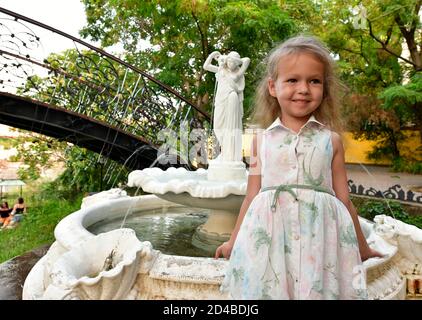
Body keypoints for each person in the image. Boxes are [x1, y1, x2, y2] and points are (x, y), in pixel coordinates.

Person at [214, 35, 383, 300]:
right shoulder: (261, 141)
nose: (303, 88)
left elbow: (344, 200)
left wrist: (362, 248)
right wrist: (233, 242)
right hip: (273, 246)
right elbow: (251, 196)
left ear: (324, 89)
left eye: (314, 81)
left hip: (320, 246)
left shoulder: (332, 141)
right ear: (273, 87)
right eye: (292, 80)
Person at [203, 50, 250, 162]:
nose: (231, 64)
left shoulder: (238, 73)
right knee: (218, 126)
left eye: (234, 63)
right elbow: (206, 66)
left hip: (231, 99)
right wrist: (213, 55)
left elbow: (247, 60)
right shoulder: (222, 70)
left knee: (230, 127)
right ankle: (225, 151)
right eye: (229, 62)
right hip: (220, 101)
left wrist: (234, 59)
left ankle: (229, 154)